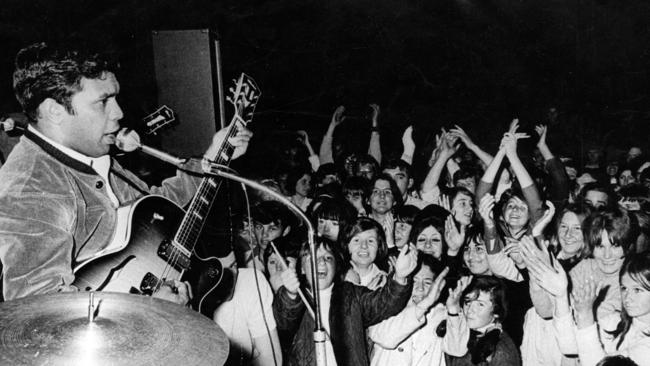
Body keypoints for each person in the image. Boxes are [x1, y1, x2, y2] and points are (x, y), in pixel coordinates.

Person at [0, 42, 252, 302]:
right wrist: (141, 314)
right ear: (54, 111)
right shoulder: (30, 187)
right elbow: (37, 309)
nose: (119, 112)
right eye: (103, 101)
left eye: (116, 98)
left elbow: (154, 208)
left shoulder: (90, 156)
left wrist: (210, 159)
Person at [273, 238, 419, 366]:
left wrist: (399, 277)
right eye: (313, 258)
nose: (321, 262)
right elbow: (284, 323)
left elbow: (384, 303)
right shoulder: (294, 297)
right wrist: (291, 294)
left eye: (328, 258)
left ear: (336, 267)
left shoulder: (351, 294)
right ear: (302, 269)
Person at [213, 249, 283, 366]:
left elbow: (272, 361)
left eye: (233, 265)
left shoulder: (251, 281)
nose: (232, 278)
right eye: (223, 273)